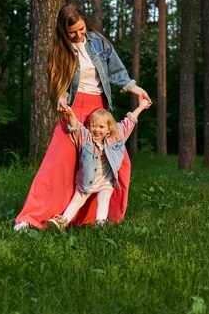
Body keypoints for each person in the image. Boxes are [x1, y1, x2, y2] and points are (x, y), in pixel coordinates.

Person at [14, 4, 152, 231]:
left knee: (116, 161)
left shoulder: (98, 41)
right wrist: (60, 99)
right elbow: (59, 82)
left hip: (99, 111)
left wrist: (135, 89)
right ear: (63, 31)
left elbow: (116, 72)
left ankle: (97, 217)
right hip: (74, 109)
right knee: (58, 165)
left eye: (81, 29)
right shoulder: (61, 50)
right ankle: (32, 218)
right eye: (73, 32)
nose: (79, 35)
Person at [46, 99, 151, 231]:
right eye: (93, 126)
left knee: (104, 202)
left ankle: (100, 226)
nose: (96, 130)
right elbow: (76, 127)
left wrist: (141, 107)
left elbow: (129, 121)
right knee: (76, 201)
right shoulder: (86, 138)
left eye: (101, 127)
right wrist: (70, 113)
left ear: (109, 129)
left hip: (106, 182)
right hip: (86, 183)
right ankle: (63, 221)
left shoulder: (116, 136)